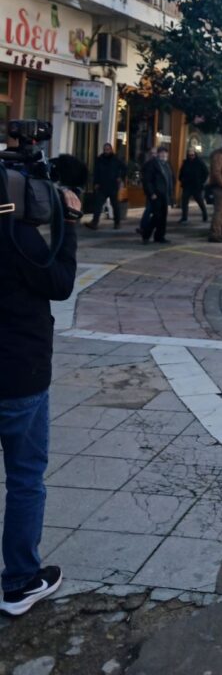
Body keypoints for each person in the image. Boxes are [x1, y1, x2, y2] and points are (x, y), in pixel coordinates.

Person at [0, 184, 81, 614]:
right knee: (25, 478)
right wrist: (68, 224)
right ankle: (19, 582)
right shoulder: (18, 237)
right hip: (19, 376)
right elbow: (61, 283)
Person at [85, 143, 126, 230]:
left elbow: (125, 168)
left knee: (115, 205)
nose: (106, 151)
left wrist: (120, 177)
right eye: (105, 149)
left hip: (113, 186)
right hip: (102, 186)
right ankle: (94, 223)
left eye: (108, 149)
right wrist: (95, 183)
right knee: (98, 205)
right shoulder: (99, 159)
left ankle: (117, 223)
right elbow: (96, 172)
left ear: (111, 150)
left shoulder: (116, 159)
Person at [139, 146, 173, 244]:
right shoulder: (153, 164)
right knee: (156, 216)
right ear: (158, 154)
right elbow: (147, 180)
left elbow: (170, 179)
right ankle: (146, 234)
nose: (163, 155)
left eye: (165, 153)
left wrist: (171, 193)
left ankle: (159, 236)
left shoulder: (167, 165)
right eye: (161, 153)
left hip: (164, 194)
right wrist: (152, 193)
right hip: (156, 194)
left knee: (163, 217)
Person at [178, 148, 208, 224]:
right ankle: (184, 217)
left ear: (195, 154)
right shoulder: (186, 163)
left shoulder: (199, 162)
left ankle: (205, 214)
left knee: (199, 201)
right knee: (184, 202)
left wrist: (201, 181)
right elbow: (181, 172)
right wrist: (182, 179)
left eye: (192, 155)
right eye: (190, 155)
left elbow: (206, 172)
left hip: (196, 186)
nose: (191, 156)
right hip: (187, 185)